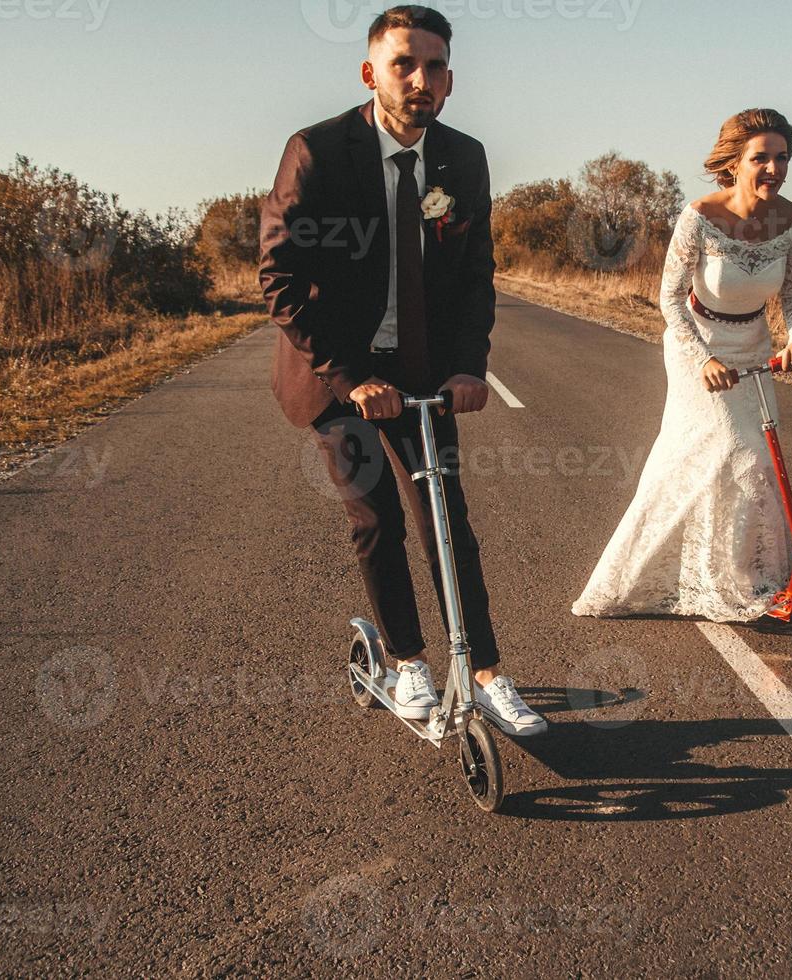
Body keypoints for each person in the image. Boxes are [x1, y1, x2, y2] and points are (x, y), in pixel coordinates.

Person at [260, 5, 545, 735]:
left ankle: (484, 673)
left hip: (420, 370)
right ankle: (409, 659)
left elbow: (474, 276)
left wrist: (468, 368)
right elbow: (280, 279)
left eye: (436, 66)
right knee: (378, 515)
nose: (421, 79)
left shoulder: (462, 157)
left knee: (445, 516)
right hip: (334, 369)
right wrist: (350, 375)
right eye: (404, 64)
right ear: (371, 73)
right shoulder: (318, 151)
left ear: (451, 78)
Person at [572, 108, 792, 621]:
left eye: (782, 158)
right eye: (761, 158)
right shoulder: (700, 216)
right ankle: (650, 575)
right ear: (734, 162)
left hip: (753, 343)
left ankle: (745, 574)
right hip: (696, 342)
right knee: (731, 447)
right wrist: (702, 358)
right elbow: (669, 298)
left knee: (760, 460)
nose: (774, 168)